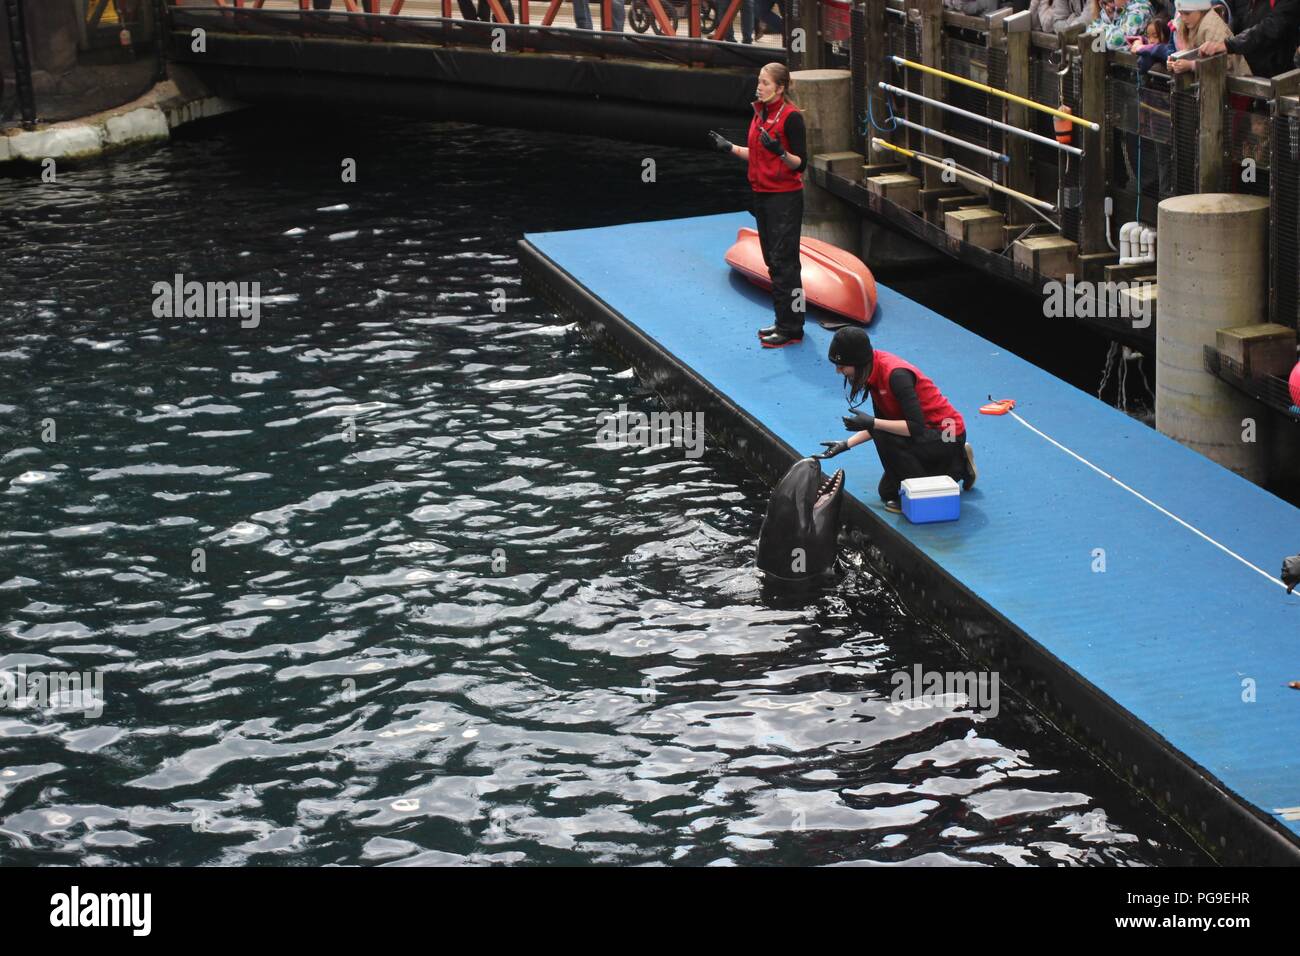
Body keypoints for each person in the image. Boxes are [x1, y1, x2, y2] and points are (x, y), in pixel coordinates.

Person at [815, 328, 976, 513]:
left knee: (884, 437)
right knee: (887, 492)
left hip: (949, 434)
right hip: (928, 434)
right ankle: (957, 465)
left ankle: (946, 469)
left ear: (857, 362)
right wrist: (845, 444)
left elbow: (914, 427)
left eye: (842, 366)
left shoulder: (896, 375)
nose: (838, 371)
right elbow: (883, 422)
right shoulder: (872, 372)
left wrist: (872, 423)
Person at [707, 64, 808, 348]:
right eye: (759, 82)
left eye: (765, 83)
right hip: (761, 194)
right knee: (772, 261)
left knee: (785, 263)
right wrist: (730, 148)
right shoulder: (760, 113)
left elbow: (800, 163)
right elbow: (758, 154)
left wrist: (781, 152)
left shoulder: (791, 118)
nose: (759, 87)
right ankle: (782, 320)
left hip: (784, 198)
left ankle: (792, 328)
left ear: (780, 87)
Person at [1199, 0, 1300, 77]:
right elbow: (1245, 24)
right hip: (1251, 73)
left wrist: (1228, 45)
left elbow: (1271, 27)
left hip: (1277, 76)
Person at [1168, 0, 1248, 75]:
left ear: (1201, 10)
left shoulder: (1212, 27)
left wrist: (1191, 65)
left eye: (1187, 13)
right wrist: (1175, 61)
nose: (1183, 18)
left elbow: (1225, 63)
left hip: (1237, 79)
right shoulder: (1192, 23)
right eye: (1181, 13)